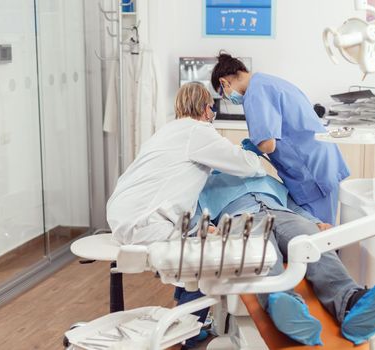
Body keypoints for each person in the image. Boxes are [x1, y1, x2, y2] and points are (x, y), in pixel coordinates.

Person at [176, 172, 375, 347]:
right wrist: (207, 229)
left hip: (286, 216)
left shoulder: (265, 177)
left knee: (313, 244)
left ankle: (352, 303)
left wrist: (315, 221)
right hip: (242, 220)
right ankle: (286, 308)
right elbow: (196, 217)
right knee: (262, 255)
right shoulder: (205, 185)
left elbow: (292, 204)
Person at [106, 82, 266, 245]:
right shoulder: (199, 131)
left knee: (197, 231)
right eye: (212, 109)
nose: (213, 115)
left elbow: (181, 169)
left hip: (119, 213)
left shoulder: (166, 130)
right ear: (205, 109)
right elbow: (249, 165)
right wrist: (255, 151)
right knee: (209, 246)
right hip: (142, 224)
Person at [211, 53, 350, 225]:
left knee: (316, 235)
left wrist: (248, 151)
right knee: (321, 230)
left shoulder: (255, 93)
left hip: (310, 172)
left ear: (224, 83)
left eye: (224, 95)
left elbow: (267, 144)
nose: (228, 99)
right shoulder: (268, 82)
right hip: (320, 161)